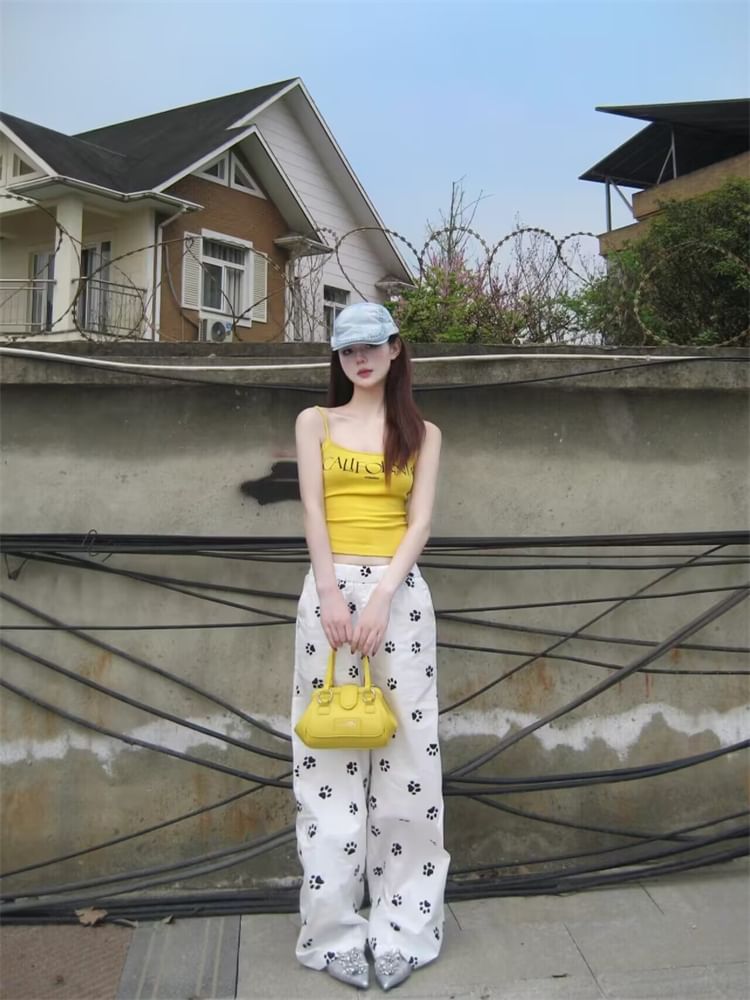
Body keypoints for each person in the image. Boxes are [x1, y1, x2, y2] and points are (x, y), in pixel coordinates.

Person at [291, 301, 450, 992]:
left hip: (399, 598)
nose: (360, 359)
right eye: (347, 349)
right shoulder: (315, 422)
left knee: (410, 759)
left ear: (394, 349)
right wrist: (331, 594)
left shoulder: (422, 433)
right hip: (328, 599)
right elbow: (313, 508)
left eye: (371, 346)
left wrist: (383, 595)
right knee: (327, 758)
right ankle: (331, 933)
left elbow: (420, 522)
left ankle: (406, 925)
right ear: (338, 356)